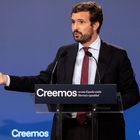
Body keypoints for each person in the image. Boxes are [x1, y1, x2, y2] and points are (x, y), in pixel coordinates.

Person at [0, 1, 139, 140]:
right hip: (66, 130)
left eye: (81, 22)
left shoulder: (117, 55)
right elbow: (43, 81)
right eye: (73, 22)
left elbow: (132, 94)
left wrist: (105, 105)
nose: (75, 27)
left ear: (95, 25)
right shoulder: (64, 53)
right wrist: (6, 79)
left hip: (104, 130)